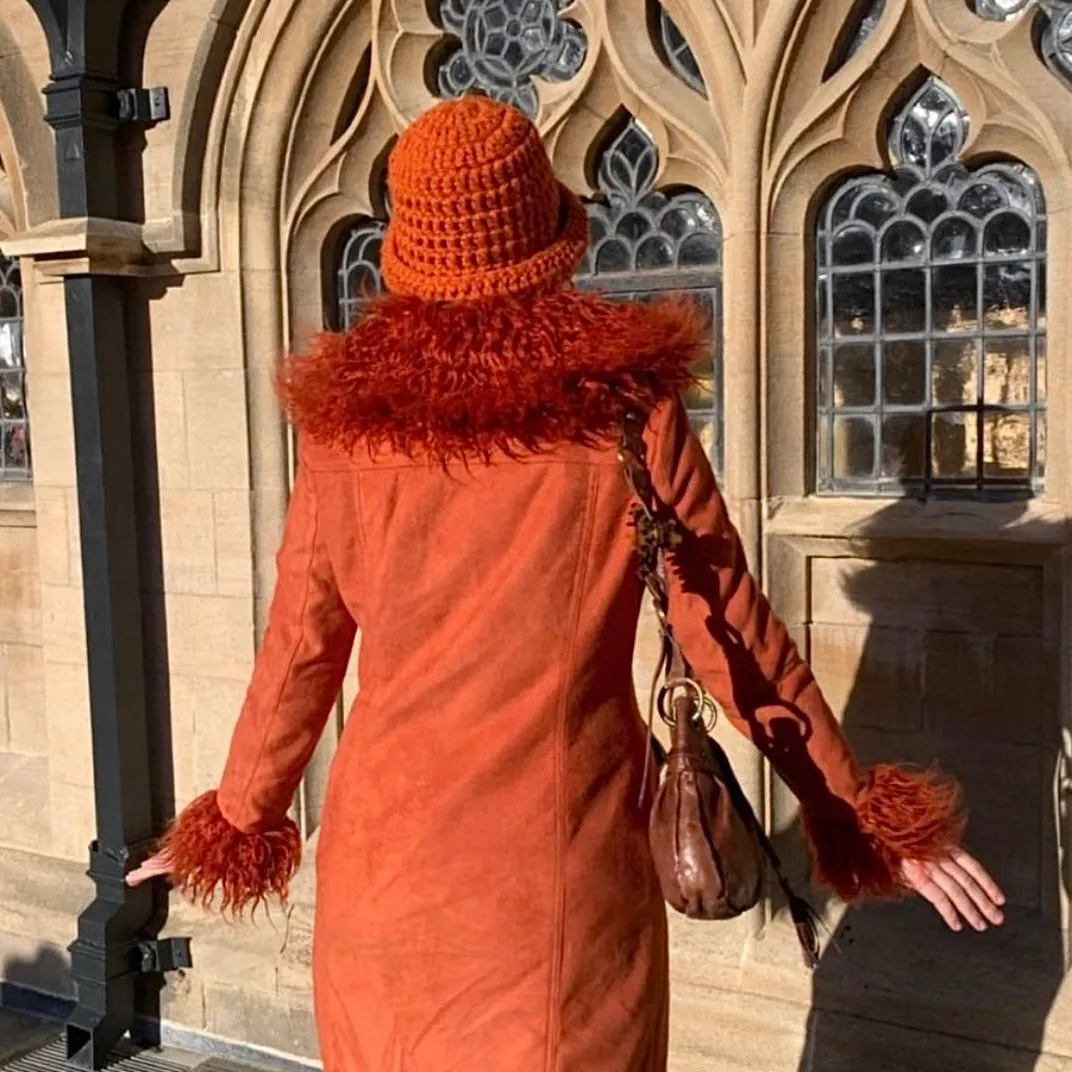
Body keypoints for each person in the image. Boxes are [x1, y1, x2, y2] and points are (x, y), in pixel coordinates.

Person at [127, 96, 1004, 1072]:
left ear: (405, 250)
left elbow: (299, 651)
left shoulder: (347, 431)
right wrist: (855, 813)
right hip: (558, 881)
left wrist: (240, 816)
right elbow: (731, 635)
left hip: (383, 886)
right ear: (547, 235)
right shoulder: (623, 413)